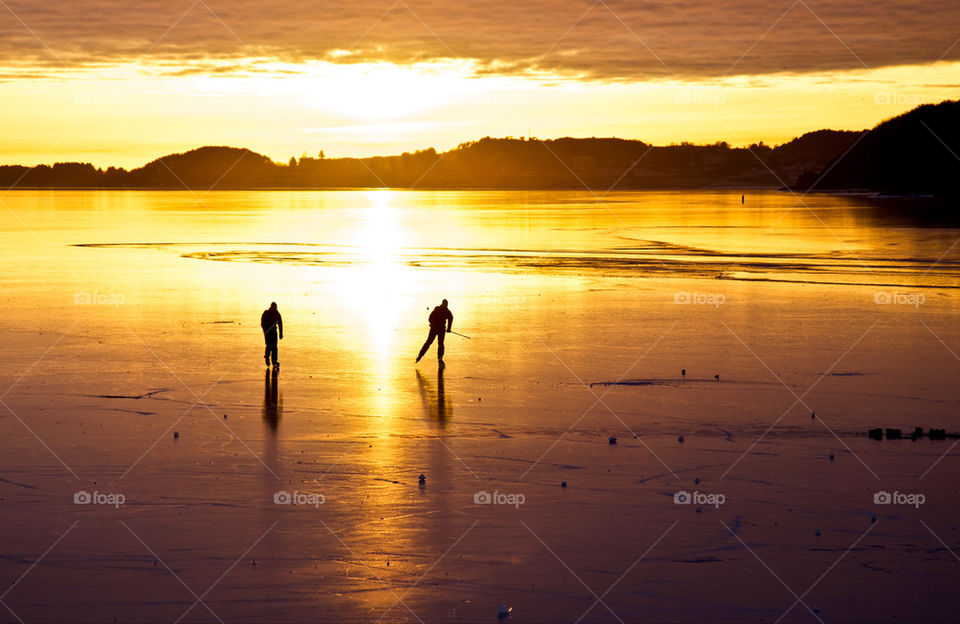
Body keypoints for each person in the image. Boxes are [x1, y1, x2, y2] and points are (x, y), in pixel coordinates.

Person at [416, 299, 453, 366]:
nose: (445, 306)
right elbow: (430, 318)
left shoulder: (447, 311)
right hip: (434, 329)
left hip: (440, 329)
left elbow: (451, 318)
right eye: (445, 304)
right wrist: (433, 324)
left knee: (440, 343)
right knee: (429, 342)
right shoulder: (437, 309)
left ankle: (440, 358)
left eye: (446, 305)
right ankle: (420, 355)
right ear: (443, 304)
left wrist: (449, 328)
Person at [260, 302, 283, 368]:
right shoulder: (266, 313)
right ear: (271, 307)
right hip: (267, 332)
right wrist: (265, 330)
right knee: (269, 345)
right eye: (274, 307)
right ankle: (267, 357)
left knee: (275, 347)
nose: (275, 308)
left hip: (273, 331)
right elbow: (262, 323)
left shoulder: (277, 314)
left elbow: (280, 323)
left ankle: (274, 361)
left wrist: (281, 333)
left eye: (276, 307)